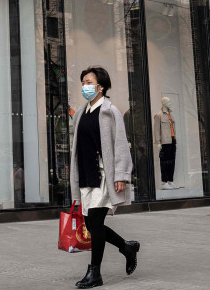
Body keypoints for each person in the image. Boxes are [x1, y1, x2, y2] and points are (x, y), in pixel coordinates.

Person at [69, 66, 140, 288]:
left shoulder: (110, 111)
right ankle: (126, 247)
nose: (84, 86)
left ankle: (95, 273)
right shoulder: (81, 112)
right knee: (91, 224)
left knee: (96, 222)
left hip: (102, 174)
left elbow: (120, 144)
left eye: (88, 82)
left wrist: (121, 174)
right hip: (86, 173)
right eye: (82, 82)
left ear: (100, 86)